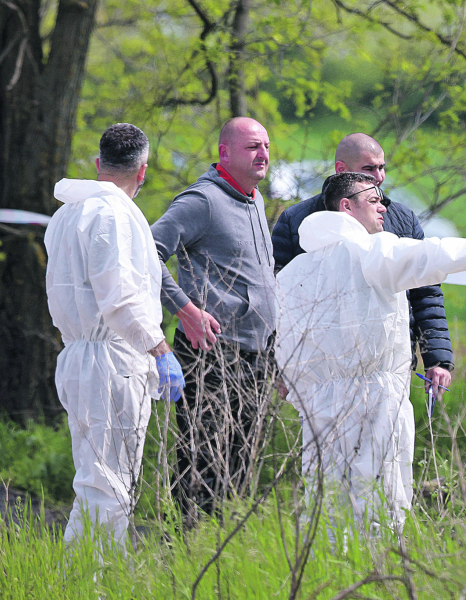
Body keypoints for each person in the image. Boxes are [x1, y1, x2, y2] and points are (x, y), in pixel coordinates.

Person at [274, 172, 466, 531]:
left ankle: (328, 575)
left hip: (319, 407)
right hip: (376, 401)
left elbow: (284, 341)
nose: (383, 206)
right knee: (382, 495)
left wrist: (305, 394)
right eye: (373, 199)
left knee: (326, 497)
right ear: (346, 207)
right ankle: (381, 574)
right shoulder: (374, 251)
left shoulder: (296, 271)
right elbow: (428, 254)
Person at [44, 123, 185, 551]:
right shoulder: (115, 215)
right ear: (142, 172)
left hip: (78, 356)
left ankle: (85, 580)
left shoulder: (68, 214)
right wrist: (159, 348)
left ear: (98, 163)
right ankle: (90, 584)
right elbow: (119, 297)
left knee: (96, 480)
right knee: (109, 487)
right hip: (112, 362)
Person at [151, 117, 278, 521]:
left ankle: (222, 552)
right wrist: (184, 310)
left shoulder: (254, 198)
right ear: (224, 152)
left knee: (239, 470)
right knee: (202, 466)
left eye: (267, 146)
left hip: (257, 358)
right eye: (252, 147)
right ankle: (186, 553)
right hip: (212, 355)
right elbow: (145, 255)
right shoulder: (201, 201)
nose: (263, 155)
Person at [271, 133, 454, 400]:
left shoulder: (402, 220)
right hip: (322, 373)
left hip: (390, 366)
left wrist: (437, 359)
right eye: (369, 168)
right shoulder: (297, 220)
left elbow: (425, 292)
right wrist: (281, 366)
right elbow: (280, 299)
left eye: (382, 167)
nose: (379, 177)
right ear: (341, 170)